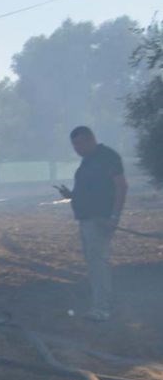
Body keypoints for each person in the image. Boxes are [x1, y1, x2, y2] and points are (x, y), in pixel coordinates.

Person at [56, 126, 128, 321]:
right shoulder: (88, 161)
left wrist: (114, 217)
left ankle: (103, 308)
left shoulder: (107, 157)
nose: (77, 148)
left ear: (91, 139)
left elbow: (121, 186)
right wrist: (71, 195)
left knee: (99, 264)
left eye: (79, 143)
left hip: (100, 220)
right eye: (74, 145)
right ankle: (101, 304)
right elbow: (90, 191)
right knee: (94, 263)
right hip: (87, 219)